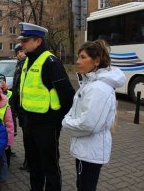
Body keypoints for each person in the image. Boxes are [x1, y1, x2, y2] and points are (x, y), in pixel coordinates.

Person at [62, 40, 126, 191]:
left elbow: (89, 125)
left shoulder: (98, 88)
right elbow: (76, 110)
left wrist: (66, 122)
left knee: (85, 187)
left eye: (83, 57)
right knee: (83, 185)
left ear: (97, 61)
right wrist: (70, 118)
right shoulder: (90, 83)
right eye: (78, 57)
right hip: (86, 149)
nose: (78, 61)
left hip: (90, 151)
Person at [18, 22, 75, 191]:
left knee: (49, 166)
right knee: (34, 165)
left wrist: (55, 119)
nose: (22, 43)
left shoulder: (51, 62)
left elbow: (67, 95)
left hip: (46, 125)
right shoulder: (28, 61)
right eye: (22, 40)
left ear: (38, 41)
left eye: (26, 40)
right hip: (29, 122)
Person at [12, 43, 29, 171]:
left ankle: (30, 162)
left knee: (29, 136)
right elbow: (17, 86)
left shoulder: (28, 65)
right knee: (26, 135)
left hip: (27, 107)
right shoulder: (19, 65)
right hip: (20, 106)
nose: (20, 54)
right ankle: (29, 161)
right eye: (17, 53)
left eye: (22, 51)